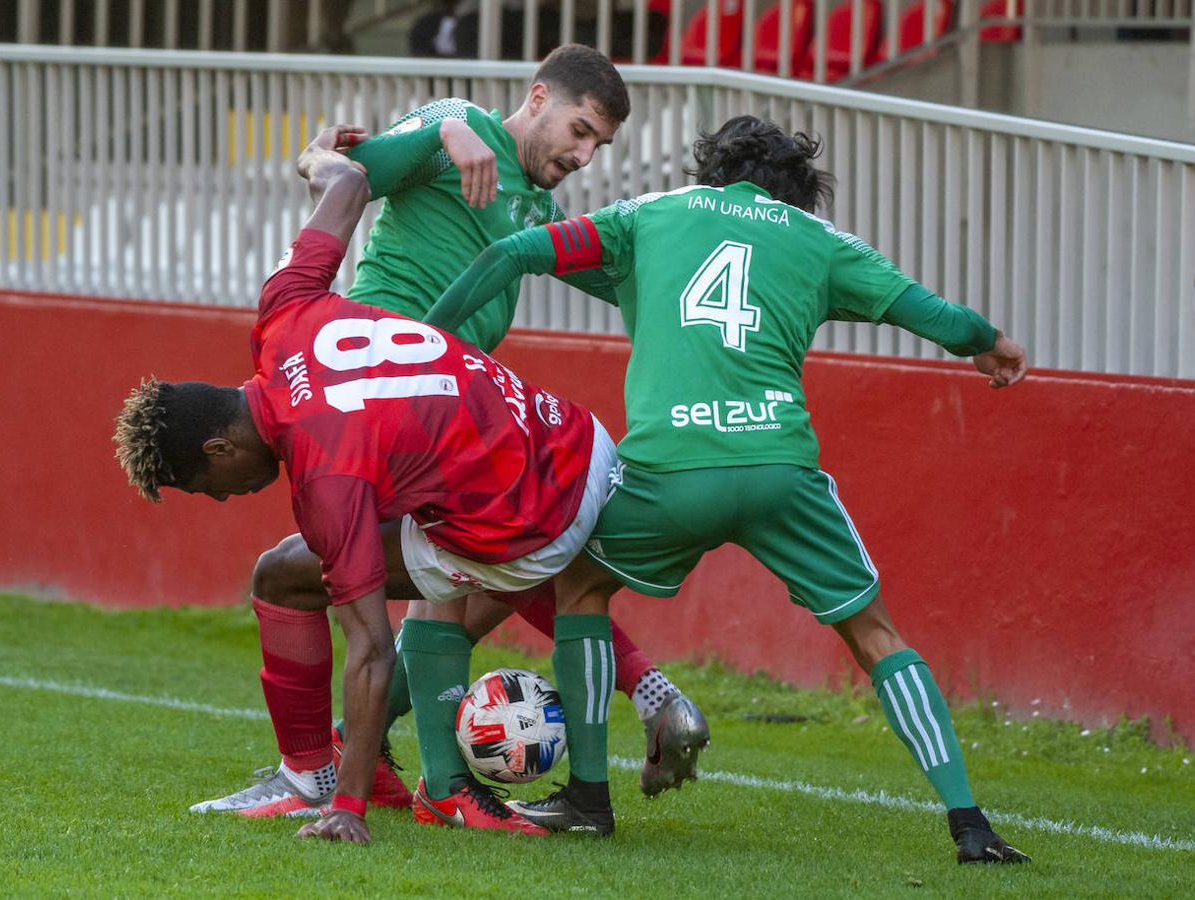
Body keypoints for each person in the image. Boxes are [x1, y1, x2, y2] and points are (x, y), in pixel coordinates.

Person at [424, 115, 1033, 862]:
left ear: (714, 170)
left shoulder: (649, 215)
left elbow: (515, 251)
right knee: (875, 635)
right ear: (796, 194)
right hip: (780, 473)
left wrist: (429, 341)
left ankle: (586, 799)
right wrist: (990, 345)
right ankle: (969, 824)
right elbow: (938, 317)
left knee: (577, 587)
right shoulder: (821, 242)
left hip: (669, 474)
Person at [186, 44, 709, 822]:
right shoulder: (454, 125)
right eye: (580, 129)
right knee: (468, 568)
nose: (584, 154)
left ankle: (378, 776)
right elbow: (339, 168)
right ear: (536, 98)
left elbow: (610, 267)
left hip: (433, 429)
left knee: (474, 569)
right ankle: (381, 777)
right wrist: (442, 129)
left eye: (598, 144)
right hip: (371, 409)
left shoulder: (533, 206)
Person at [115, 124, 635, 842]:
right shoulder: (281, 310)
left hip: (535, 521)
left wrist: (347, 811)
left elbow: (369, 649)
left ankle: (321, 783)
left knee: (284, 575)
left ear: (219, 447)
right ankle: (419, 779)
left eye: (209, 485)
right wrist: (317, 152)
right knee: (396, 518)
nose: (226, 496)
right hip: (580, 440)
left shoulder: (324, 477)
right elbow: (348, 184)